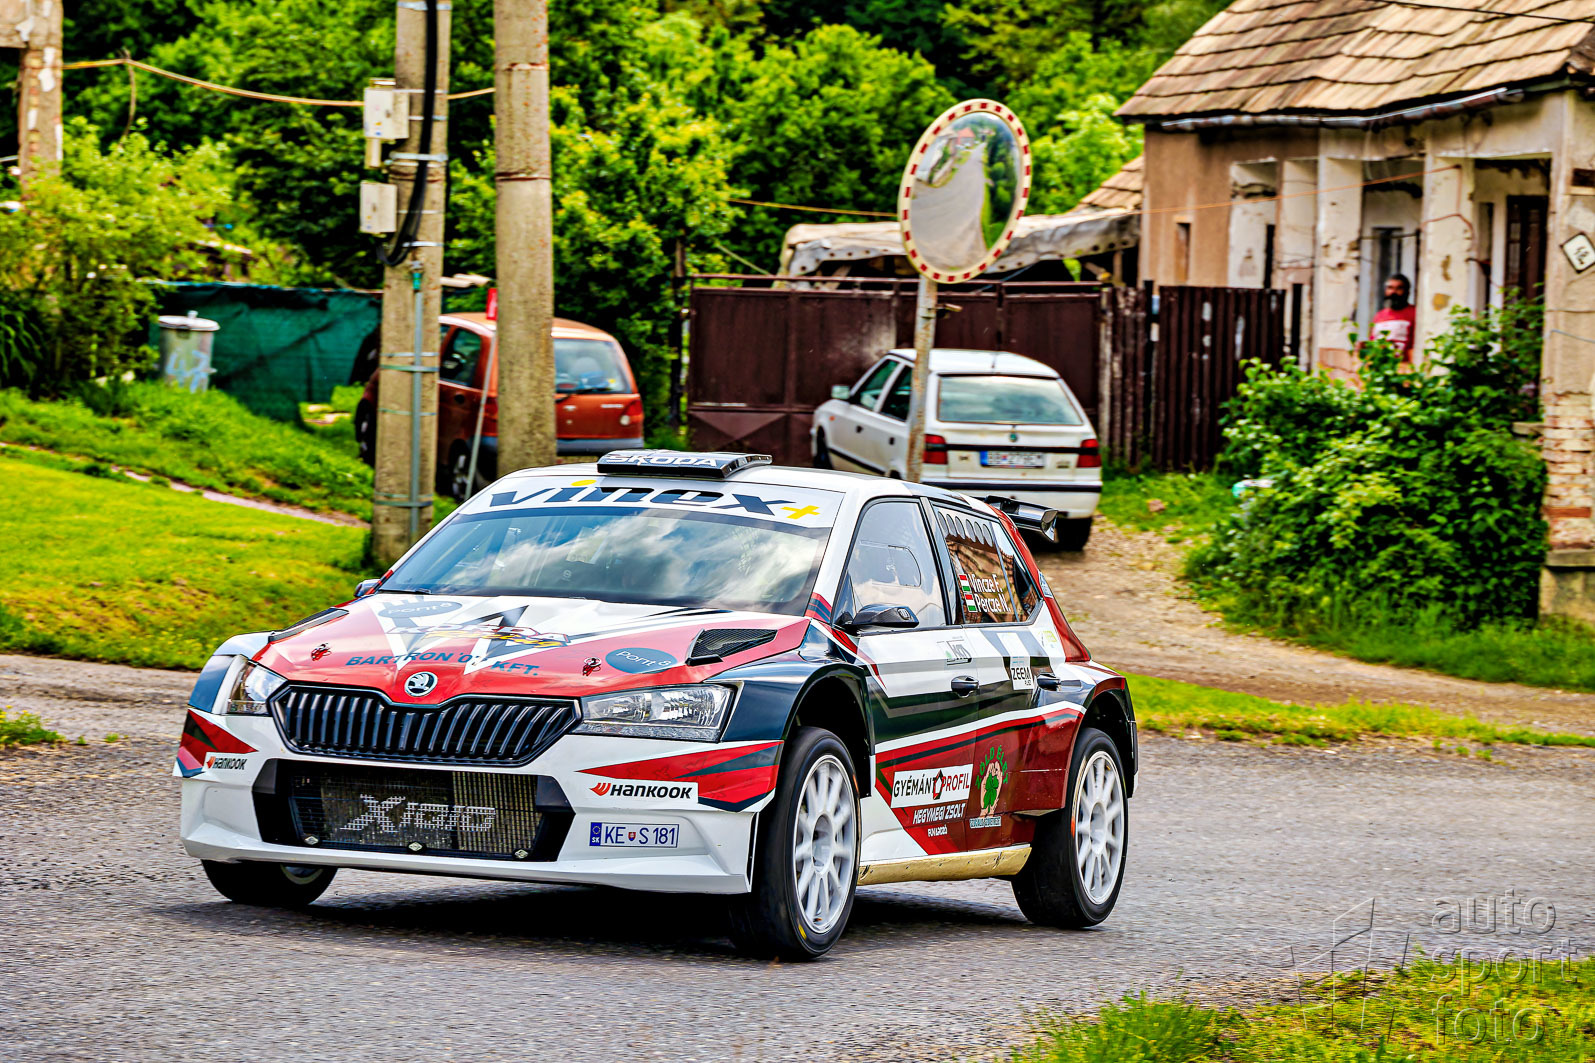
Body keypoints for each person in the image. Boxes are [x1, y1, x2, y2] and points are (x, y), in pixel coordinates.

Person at [1370, 273, 1417, 360]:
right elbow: (1372, 341)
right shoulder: (1379, 315)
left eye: (1399, 288)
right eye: (1390, 288)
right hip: (1380, 364)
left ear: (1407, 292)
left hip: (1403, 364)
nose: (1393, 292)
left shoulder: (1415, 313)